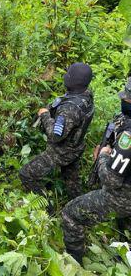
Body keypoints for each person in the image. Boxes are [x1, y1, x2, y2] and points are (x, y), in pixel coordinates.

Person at [62, 80, 131, 265]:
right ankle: (123, 253)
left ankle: (74, 265)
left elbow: (111, 181)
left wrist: (101, 157)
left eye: (127, 98)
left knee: (70, 214)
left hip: (125, 195)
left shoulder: (129, 135)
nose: (124, 99)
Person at [18, 62, 95, 202]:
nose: (65, 75)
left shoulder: (69, 109)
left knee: (26, 175)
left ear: (72, 80)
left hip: (62, 151)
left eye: (68, 74)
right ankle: (80, 210)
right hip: (76, 147)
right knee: (73, 183)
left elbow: (55, 135)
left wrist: (45, 115)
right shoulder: (86, 96)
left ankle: (45, 209)